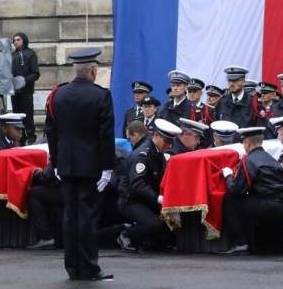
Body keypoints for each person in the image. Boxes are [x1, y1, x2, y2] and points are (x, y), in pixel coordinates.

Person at [43, 48, 116, 281]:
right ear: (93, 71)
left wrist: (55, 162)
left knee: (70, 216)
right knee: (88, 217)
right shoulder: (101, 96)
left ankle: (72, 267)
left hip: (65, 164)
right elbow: (106, 135)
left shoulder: (58, 95)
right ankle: (89, 267)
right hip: (90, 166)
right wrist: (107, 167)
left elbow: (50, 131)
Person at [220, 127, 283, 255]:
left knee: (230, 198)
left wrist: (227, 175)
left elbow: (236, 189)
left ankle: (241, 242)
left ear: (247, 143)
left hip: (265, 206)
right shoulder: (273, 160)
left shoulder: (248, 161)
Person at [117, 118, 180, 252]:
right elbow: (138, 184)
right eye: (167, 141)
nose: (169, 146)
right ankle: (126, 234)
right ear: (156, 136)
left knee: (171, 222)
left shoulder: (158, 153)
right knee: (154, 224)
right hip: (131, 200)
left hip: (147, 198)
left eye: (171, 142)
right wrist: (158, 198)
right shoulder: (142, 155)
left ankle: (149, 242)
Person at [11, 32, 40, 144]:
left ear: (24, 40)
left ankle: (31, 136)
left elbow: (35, 73)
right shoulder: (12, 55)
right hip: (14, 91)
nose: (15, 42)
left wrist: (23, 80)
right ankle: (20, 136)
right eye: (14, 40)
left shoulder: (30, 54)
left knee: (27, 114)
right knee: (16, 115)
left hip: (26, 91)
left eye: (18, 39)